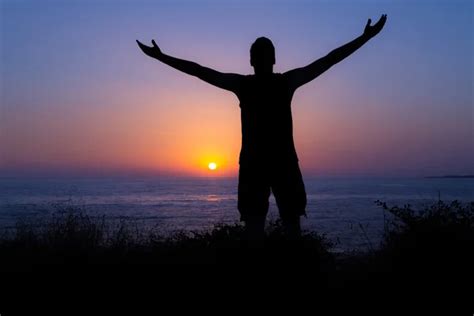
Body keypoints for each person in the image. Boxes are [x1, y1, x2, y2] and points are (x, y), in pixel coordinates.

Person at [137, 14, 387, 241]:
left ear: (251, 60)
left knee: (260, 229)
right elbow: (328, 60)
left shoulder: (248, 85)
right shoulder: (283, 82)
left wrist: (161, 57)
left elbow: (200, 72)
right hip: (278, 163)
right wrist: (365, 38)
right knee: (287, 228)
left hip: (259, 165)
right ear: (273, 59)